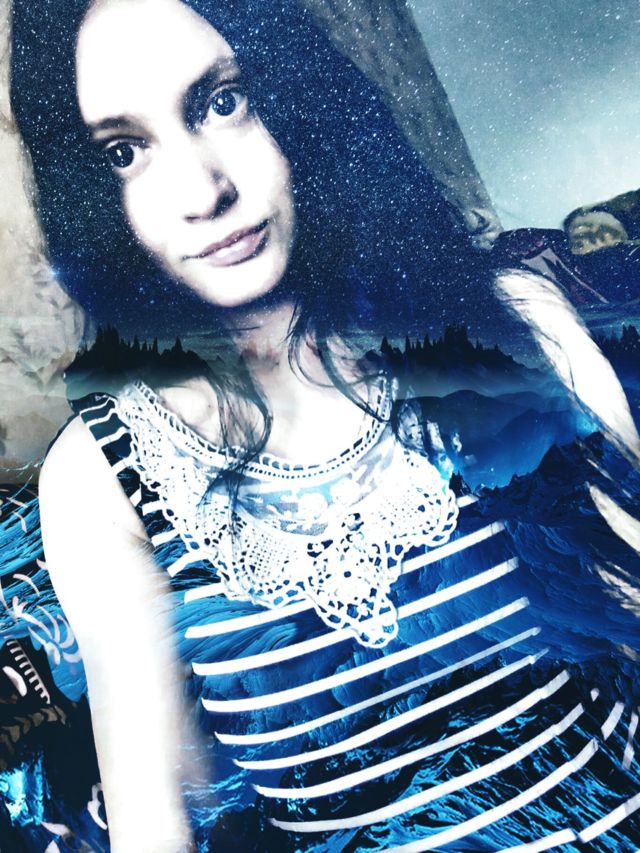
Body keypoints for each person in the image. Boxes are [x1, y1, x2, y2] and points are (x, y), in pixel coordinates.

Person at [6, 0, 640, 850]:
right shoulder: (99, 477)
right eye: (125, 151)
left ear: (293, 94)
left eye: (222, 102)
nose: (203, 191)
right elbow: (159, 820)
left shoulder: (510, 319)